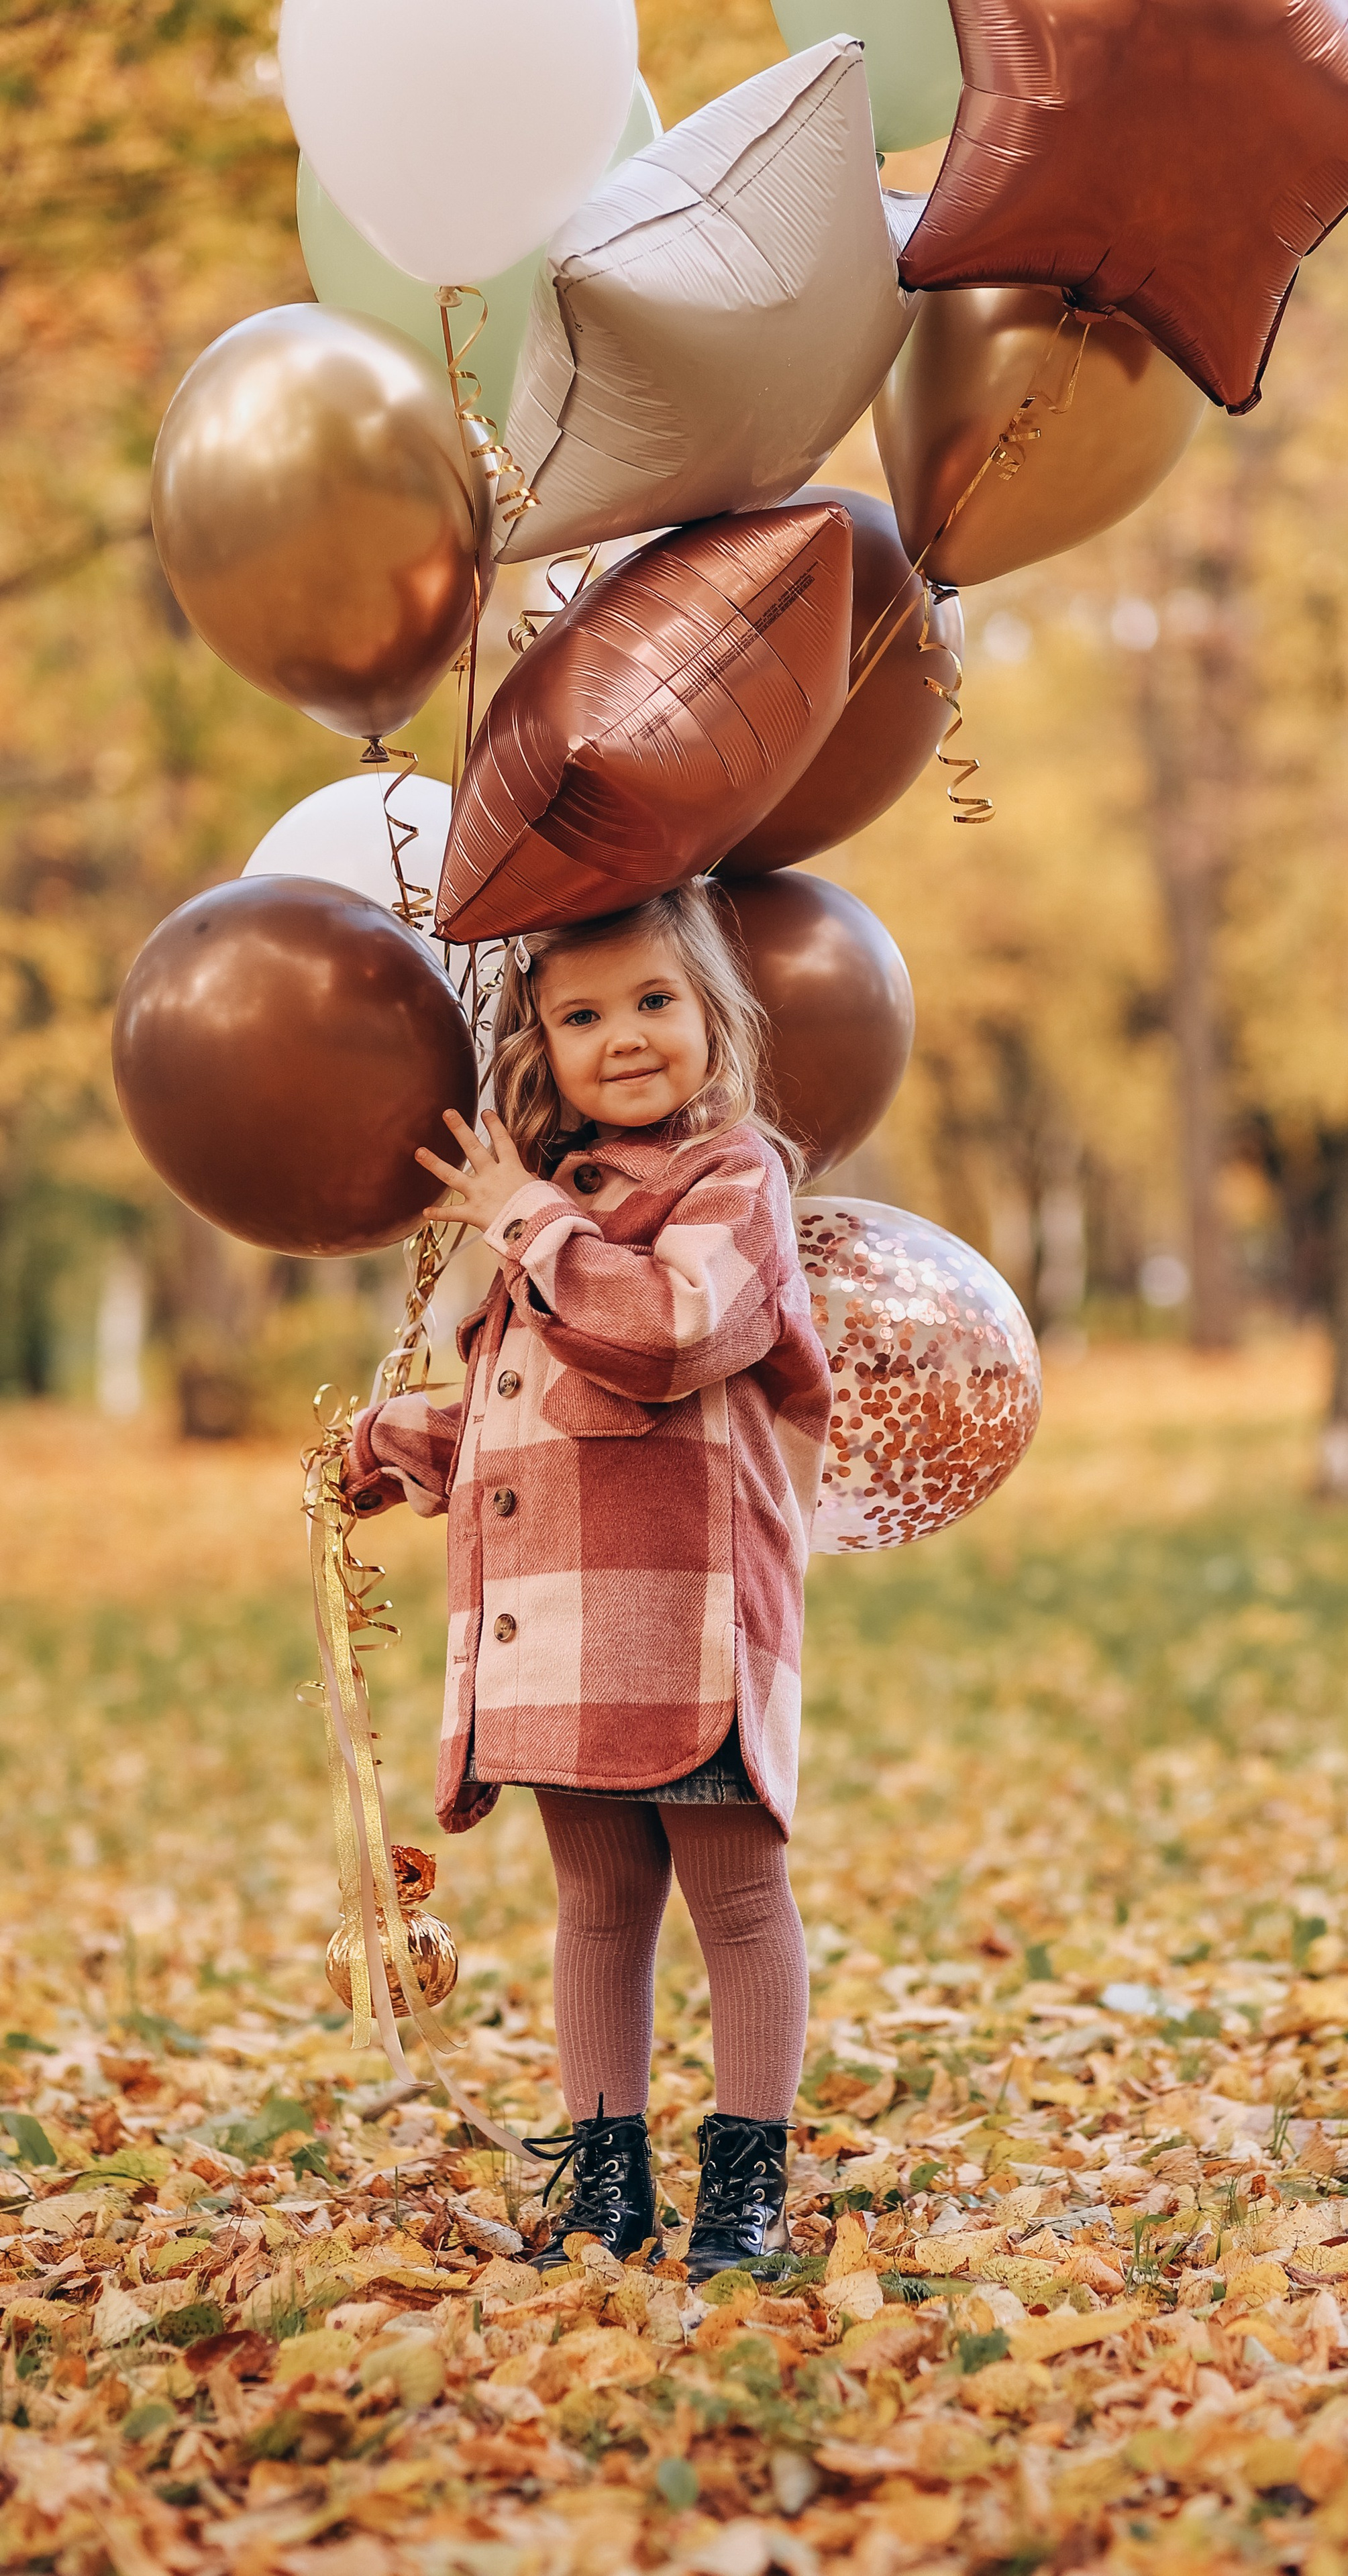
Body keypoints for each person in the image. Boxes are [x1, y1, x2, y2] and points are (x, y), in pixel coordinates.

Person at [340, 881, 832, 2282]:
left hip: (685, 1618)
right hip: (557, 1621)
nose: (623, 1036)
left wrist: (524, 1225)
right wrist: (392, 1448)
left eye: (654, 1002)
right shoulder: (543, 1207)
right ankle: (604, 2181)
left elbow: (671, 1331)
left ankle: (744, 2184)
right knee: (598, 1907)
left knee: (735, 1899)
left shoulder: (732, 1179)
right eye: (581, 1014)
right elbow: (525, 1402)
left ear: (713, 1018)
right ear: (537, 1045)